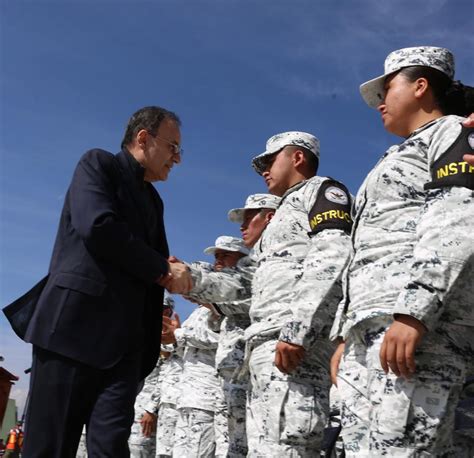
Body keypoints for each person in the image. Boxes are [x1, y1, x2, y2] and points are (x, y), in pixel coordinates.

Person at [3, 106, 192, 457]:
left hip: (126, 349)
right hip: (74, 333)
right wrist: (162, 269)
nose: (177, 159)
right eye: (173, 147)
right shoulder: (98, 164)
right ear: (143, 138)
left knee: (110, 448)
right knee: (51, 447)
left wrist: (171, 269)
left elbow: (150, 262)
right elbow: (98, 227)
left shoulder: (154, 201)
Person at [330, 46, 474, 456]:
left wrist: (415, 310)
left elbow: (456, 217)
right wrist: (346, 334)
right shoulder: (396, 155)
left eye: (387, 88)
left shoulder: (453, 133)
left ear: (421, 86)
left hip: (417, 329)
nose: (380, 103)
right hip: (369, 330)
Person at [172, 132, 352, 456]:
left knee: (289, 445)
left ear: (297, 157)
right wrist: (192, 279)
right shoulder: (282, 218)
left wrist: (298, 331)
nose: (264, 170)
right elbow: (249, 288)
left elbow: (333, 257)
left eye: (270, 161)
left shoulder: (320, 191)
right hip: (265, 346)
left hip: (294, 347)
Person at [213, 194, 280, 457]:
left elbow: (241, 298)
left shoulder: (264, 266)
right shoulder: (261, 263)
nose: (243, 226)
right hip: (234, 373)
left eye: (250, 218)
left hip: (257, 367)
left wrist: (191, 281)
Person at [171, 237, 249, 457]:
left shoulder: (247, 288)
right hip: (207, 390)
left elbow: (215, 338)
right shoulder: (206, 308)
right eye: (216, 257)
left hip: (229, 384)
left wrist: (179, 334)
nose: (218, 262)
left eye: (226, 255)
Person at [129, 294, 175, 457]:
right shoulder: (140, 335)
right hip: (128, 407)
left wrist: (151, 410)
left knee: (139, 450)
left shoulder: (170, 340)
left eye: (162, 308)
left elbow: (166, 376)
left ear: (168, 311)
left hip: (147, 411)